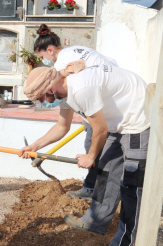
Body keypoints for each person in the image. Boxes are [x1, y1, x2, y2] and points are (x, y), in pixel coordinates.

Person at [20, 62, 150, 246]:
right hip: (116, 122)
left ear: (50, 89)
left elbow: (100, 130)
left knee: (131, 188)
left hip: (137, 120)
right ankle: (96, 222)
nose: (43, 103)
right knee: (106, 172)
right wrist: (35, 145)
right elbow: (62, 127)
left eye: (42, 98)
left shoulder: (80, 89)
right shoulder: (64, 90)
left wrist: (91, 156)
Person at [34, 24, 118, 201]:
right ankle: (94, 190)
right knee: (95, 147)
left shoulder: (61, 65)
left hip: (108, 106)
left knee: (93, 149)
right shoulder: (74, 51)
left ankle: (94, 193)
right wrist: (35, 146)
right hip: (112, 96)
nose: (45, 61)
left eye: (42, 56)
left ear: (49, 50)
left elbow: (62, 124)